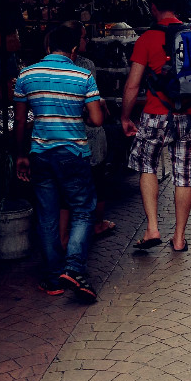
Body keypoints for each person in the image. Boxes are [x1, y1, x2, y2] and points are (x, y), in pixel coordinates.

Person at [14, 21, 104, 301]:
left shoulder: (27, 74)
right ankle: (74, 268)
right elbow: (97, 120)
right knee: (82, 210)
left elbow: (20, 121)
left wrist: (20, 155)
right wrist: (80, 113)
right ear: (74, 49)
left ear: (48, 46)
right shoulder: (83, 75)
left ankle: (53, 278)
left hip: (40, 154)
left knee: (47, 215)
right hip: (74, 154)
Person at [121, 0, 191, 253]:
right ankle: (179, 238)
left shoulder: (147, 38)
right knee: (184, 175)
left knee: (147, 166)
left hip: (155, 114)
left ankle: (152, 228)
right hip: (188, 115)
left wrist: (125, 117)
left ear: (153, 7)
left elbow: (133, 85)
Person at [59, 24, 115, 246]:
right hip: (86, 135)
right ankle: (94, 227)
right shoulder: (85, 67)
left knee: (66, 193)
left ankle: (64, 238)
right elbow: (93, 109)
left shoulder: (41, 68)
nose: (87, 41)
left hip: (60, 140)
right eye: (83, 38)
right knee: (94, 185)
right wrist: (97, 108)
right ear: (74, 44)